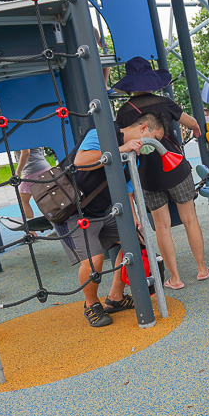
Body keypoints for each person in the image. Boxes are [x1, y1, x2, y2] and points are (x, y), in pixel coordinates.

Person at [113, 57, 209, 290]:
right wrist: (196, 128)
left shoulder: (124, 112)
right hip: (176, 168)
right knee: (190, 219)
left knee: (162, 226)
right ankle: (202, 269)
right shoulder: (164, 102)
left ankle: (175, 279)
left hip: (147, 175)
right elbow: (191, 122)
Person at [59, 111, 165, 328]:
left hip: (104, 210)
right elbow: (81, 161)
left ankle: (115, 297)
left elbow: (128, 193)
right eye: (154, 140)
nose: (152, 147)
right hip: (75, 211)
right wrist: (120, 150)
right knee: (94, 261)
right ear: (144, 129)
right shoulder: (102, 134)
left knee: (134, 241)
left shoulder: (134, 156)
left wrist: (135, 221)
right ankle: (91, 305)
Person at [16, 148, 53, 236]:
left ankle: (31, 232)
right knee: (50, 199)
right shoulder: (32, 134)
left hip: (32, 169)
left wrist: (18, 171)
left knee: (23, 201)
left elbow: (25, 152)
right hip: (44, 166)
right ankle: (60, 226)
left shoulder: (18, 134)